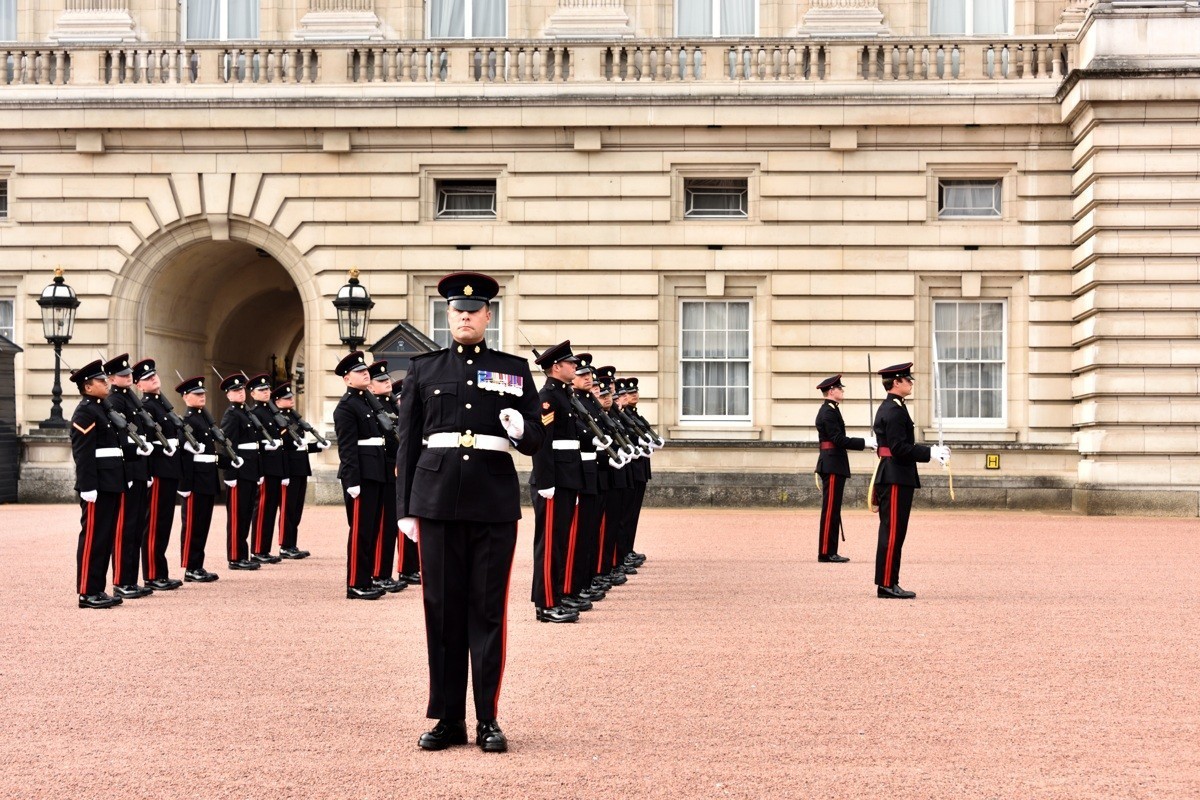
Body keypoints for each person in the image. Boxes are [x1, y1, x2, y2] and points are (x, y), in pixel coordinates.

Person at [395, 271, 546, 754]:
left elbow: (535, 440)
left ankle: (487, 718)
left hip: (492, 500)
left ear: (487, 316)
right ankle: (448, 718)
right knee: (441, 610)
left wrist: (520, 429)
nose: (465, 317)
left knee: (487, 610)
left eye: (473, 311)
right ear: (448, 315)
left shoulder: (512, 369)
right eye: (458, 311)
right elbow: (407, 442)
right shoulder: (423, 369)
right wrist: (404, 509)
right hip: (436, 499)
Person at [870, 362, 950, 599]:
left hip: (896, 474)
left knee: (895, 531)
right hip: (895, 476)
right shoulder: (894, 410)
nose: (911, 383)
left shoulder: (895, 407)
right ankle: (887, 584)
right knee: (893, 532)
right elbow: (899, 448)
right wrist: (930, 453)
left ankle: (889, 581)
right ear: (896, 382)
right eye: (907, 380)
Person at [529, 340, 587, 623]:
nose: (574, 367)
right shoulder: (548, 398)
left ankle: (558, 595)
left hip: (567, 477)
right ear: (555, 367)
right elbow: (543, 443)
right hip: (553, 480)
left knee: (560, 542)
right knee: (550, 544)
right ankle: (547, 603)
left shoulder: (564, 395)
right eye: (570, 363)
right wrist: (546, 482)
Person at [69, 359, 125, 608]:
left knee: (104, 537)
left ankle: (97, 589)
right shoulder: (85, 412)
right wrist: (87, 486)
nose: (106, 383)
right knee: (93, 537)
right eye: (101, 381)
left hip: (111, 482)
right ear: (88, 387)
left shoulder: (102, 409)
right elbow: (83, 453)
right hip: (97, 485)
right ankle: (86, 592)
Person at [332, 350, 387, 601]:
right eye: (359, 372)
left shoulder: (367, 402)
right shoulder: (346, 406)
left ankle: (366, 579)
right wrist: (352, 481)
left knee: (372, 529)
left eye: (365, 370)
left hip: (376, 470)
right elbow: (347, 448)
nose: (365, 373)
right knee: (360, 531)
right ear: (347, 379)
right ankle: (355, 583)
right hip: (361, 475)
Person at [103, 353, 154, 600]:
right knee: (125, 526)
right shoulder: (114, 400)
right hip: (129, 468)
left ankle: (131, 579)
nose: (128, 377)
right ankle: (122, 580)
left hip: (139, 466)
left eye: (128, 374)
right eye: (122, 375)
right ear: (112, 378)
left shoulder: (130, 399)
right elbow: (120, 437)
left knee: (136, 527)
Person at [133, 358, 184, 591]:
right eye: (147, 378)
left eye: (154, 375)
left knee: (164, 523)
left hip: (170, 469)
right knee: (154, 524)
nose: (153, 379)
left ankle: (160, 572)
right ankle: (153, 574)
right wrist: (149, 472)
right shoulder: (145, 407)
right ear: (139, 385)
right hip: (158, 470)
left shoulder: (163, 405)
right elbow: (146, 441)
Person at [813, 375, 876, 563]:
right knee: (830, 510)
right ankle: (826, 552)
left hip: (835, 463)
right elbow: (838, 439)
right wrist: (865, 442)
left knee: (833, 509)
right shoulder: (828, 412)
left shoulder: (832, 410)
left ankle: (829, 550)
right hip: (832, 464)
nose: (842, 391)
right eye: (840, 388)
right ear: (831, 391)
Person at [273, 381, 327, 559]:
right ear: (278, 401)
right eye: (287, 398)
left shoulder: (295, 417)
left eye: (291, 397)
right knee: (287, 509)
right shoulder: (278, 420)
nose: (291, 400)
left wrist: (316, 446)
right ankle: (284, 545)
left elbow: (300, 447)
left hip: (301, 468)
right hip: (289, 469)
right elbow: (283, 446)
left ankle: (292, 543)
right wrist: (283, 473)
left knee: (296, 509)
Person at [176, 375, 221, 583]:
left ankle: (198, 564)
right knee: (192, 525)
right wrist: (185, 485)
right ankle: (190, 567)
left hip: (207, 477)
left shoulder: (204, 418)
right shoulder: (188, 421)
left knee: (202, 524)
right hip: (195, 480)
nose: (202, 396)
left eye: (203, 393)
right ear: (186, 397)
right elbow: (185, 457)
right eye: (197, 394)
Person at [368, 359, 406, 594]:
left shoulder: (392, 404)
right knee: (383, 524)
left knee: (392, 523)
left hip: (397, 465)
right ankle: (380, 573)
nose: (386, 383)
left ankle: (385, 572)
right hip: (385, 467)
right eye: (380, 381)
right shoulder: (373, 406)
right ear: (371, 386)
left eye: (386, 379)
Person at [219, 373, 263, 571]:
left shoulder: (246, 413)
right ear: (228, 395)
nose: (240, 393)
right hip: (239, 472)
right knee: (237, 516)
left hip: (250, 470)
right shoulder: (231, 415)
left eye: (242, 390)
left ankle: (243, 554)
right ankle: (236, 557)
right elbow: (228, 446)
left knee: (245, 515)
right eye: (236, 391)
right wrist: (230, 475)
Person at [247, 373, 285, 565]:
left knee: (270, 509)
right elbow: (254, 443)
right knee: (262, 508)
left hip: (276, 466)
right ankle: (258, 549)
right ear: (253, 394)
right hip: (265, 467)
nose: (266, 392)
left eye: (267, 389)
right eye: (261, 390)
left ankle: (265, 548)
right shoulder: (254, 414)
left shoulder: (271, 412)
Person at [392, 378, 420, 586]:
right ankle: (405, 567)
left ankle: (414, 566)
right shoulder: (395, 416)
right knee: (406, 515)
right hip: (402, 467)